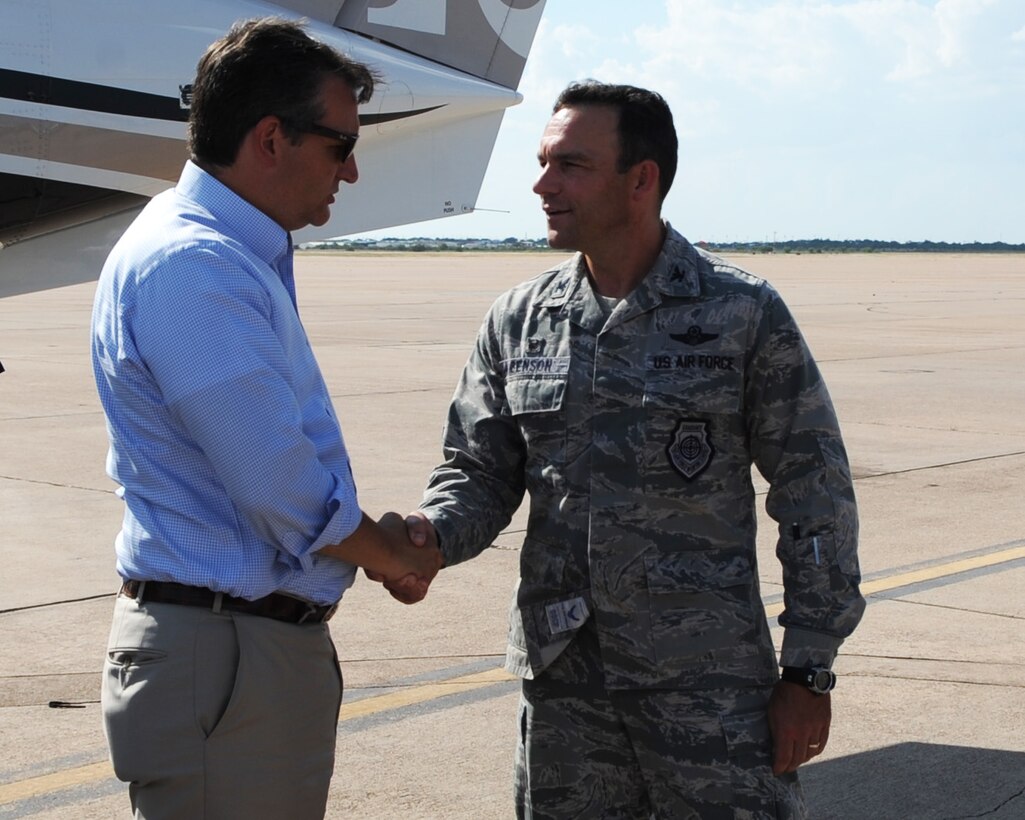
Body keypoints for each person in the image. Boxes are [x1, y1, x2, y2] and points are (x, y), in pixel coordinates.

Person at [401, 81, 865, 817]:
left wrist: (808, 670)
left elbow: (815, 495)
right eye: (543, 161)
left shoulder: (740, 313)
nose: (541, 184)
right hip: (565, 695)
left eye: (570, 165)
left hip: (708, 695)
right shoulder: (521, 320)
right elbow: (478, 473)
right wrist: (428, 536)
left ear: (640, 179)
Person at [91, 18, 442, 820]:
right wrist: (389, 553)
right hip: (227, 661)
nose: (350, 171)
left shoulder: (217, 250)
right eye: (339, 144)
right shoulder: (196, 265)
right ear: (272, 137)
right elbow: (278, 485)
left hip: (236, 654)